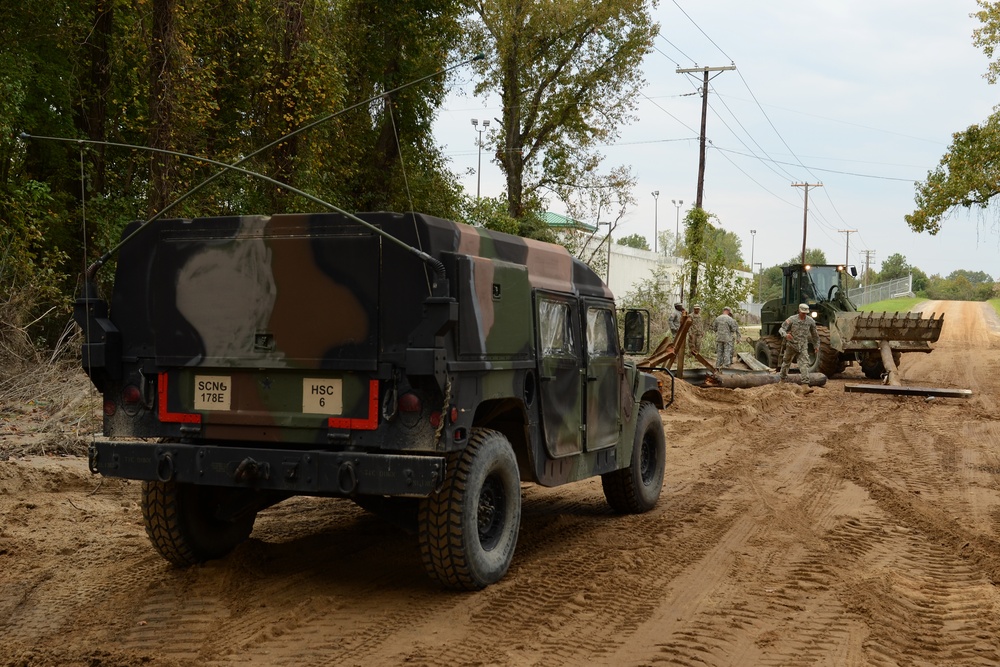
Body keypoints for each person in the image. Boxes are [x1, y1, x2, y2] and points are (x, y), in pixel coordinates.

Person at [779, 303, 820, 380]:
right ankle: (782, 379)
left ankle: (805, 383)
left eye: (805, 313)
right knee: (786, 363)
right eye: (802, 313)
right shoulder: (792, 319)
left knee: (804, 363)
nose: (804, 315)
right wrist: (785, 335)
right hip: (791, 345)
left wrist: (816, 346)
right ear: (799, 311)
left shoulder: (810, 321)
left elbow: (815, 335)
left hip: (803, 346)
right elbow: (781, 329)